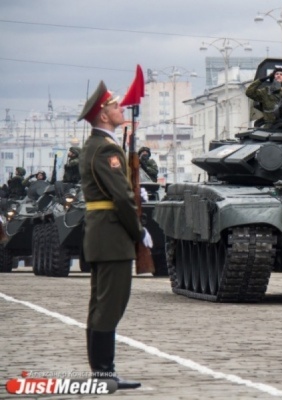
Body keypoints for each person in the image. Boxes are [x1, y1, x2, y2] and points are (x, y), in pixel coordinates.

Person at [77, 80, 152, 390]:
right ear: (103, 115)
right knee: (109, 306)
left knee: (101, 305)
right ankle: (104, 373)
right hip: (112, 237)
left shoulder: (96, 146)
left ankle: (102, 371)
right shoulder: (106, 148)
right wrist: (139, 231)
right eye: (114, 106)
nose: (120, 109)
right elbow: (121, 198)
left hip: (102, 235)